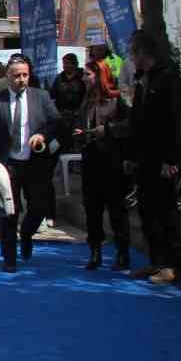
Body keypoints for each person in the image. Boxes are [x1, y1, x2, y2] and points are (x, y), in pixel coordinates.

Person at [0, 54, 60, 273]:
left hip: (35, 162)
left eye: (25, 75)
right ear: (7, 77)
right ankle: (9, 257)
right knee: (10, 210)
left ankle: (27, 233)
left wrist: (43, 136)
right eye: (16, 75)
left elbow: (56, 122)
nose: (21, 79)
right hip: (8, 162)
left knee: (39, 206)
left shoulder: (41, 97)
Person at [124, 29, 181, 286]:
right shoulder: (142, 80)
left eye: (133, 53)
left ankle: (172, 265)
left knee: (165, 211)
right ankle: (155, 259)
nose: (131, 59)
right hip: (144, 158)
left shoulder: (167, 79)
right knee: (147, 211)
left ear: (142, 53)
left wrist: (171, 161)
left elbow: (173, 123)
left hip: (163, 158)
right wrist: (131, 155)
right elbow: (136, 122)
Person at [74, 60, 131, 271]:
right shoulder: (86, 102)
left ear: (99, 76)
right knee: (92, 210)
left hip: (112, 162)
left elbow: (130, 125)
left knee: (117, 210)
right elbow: (80, 126)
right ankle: (95, 251)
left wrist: (107, 129)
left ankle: (122, 253)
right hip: (90, 161)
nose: (84, 78)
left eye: (87, 74)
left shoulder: (116, 100)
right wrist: (79, 134)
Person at [49, 53, 88, 148]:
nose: (65, 66)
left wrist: (80, 110)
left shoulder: (81, 77)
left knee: (76, 138)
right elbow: (53, 95)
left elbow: (86, 95)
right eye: (63, 63)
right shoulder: (59, 78)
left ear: (74, 64)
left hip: (78, 114)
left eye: (67, 63)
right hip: (62, 114)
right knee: (63, 139)